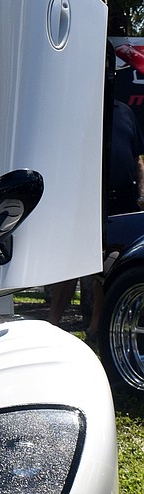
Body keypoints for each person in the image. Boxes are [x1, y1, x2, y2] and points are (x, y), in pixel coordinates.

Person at [49, 99, 144, 336]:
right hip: (85, 197)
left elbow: (137, 159)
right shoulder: (76, 106)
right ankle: (52, 324)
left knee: (110, 265)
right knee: (70, 264)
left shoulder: (124, 112)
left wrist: (141, 191)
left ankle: (97, 328)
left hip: (122, 201)